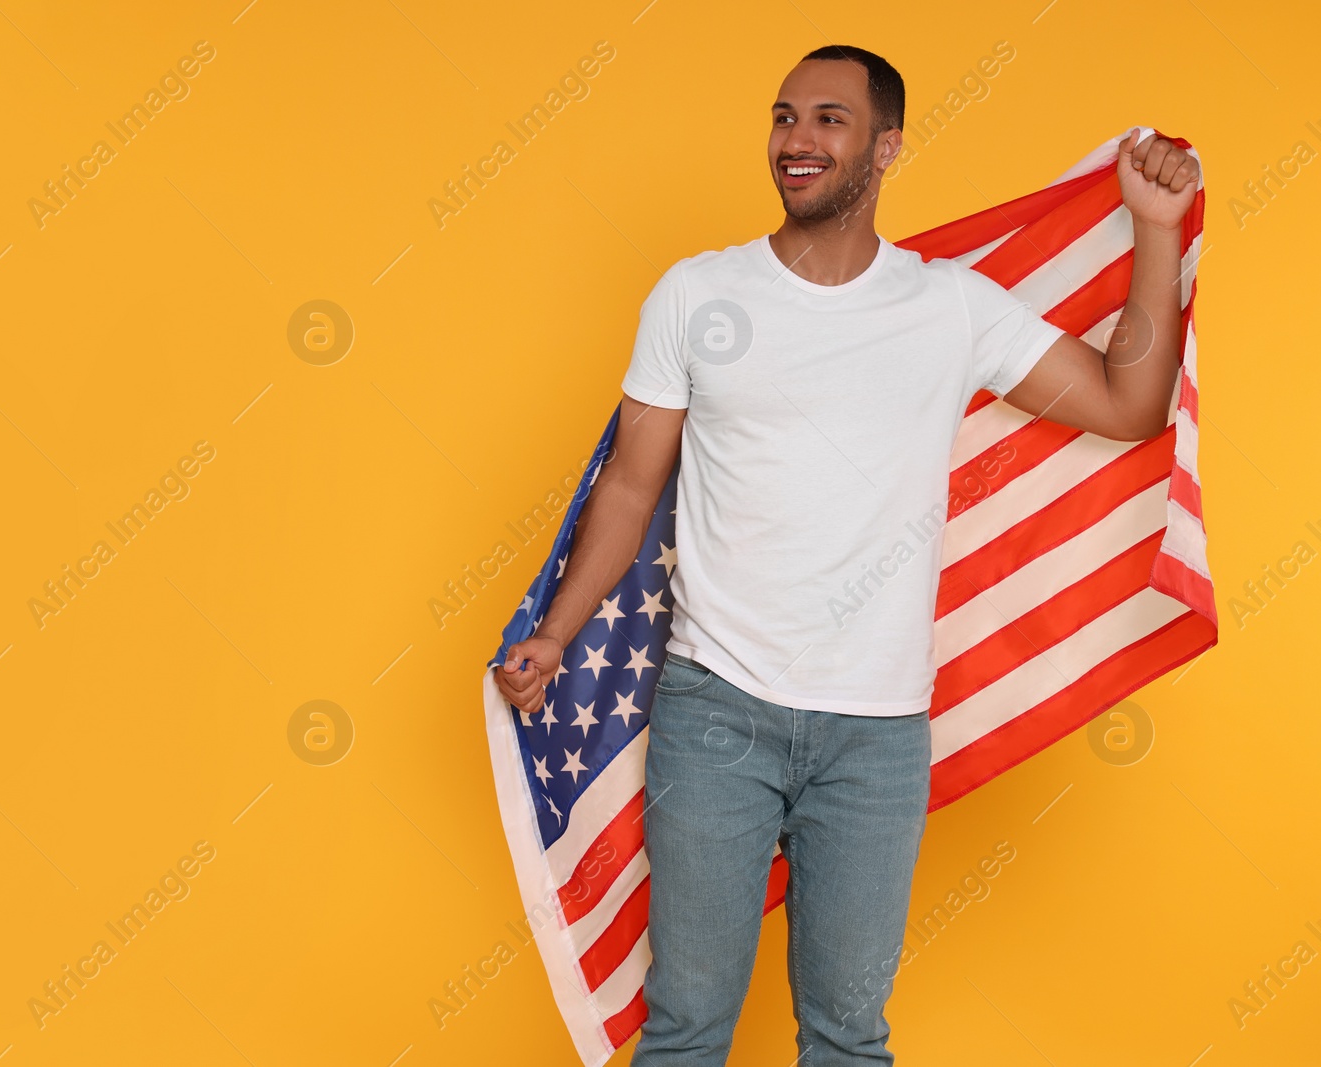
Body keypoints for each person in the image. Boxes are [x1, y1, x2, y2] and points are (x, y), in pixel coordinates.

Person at [492, 43, 1199, 1067]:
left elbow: (1127, 403)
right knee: (687, 1025)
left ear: (886, 147)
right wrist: (555, 632)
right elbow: (633, 486)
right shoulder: (695, 295)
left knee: (848, 1036)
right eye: (783, 116)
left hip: (874, 737)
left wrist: (1153, 228)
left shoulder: (947, 306)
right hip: (715, 713)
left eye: (828, 118)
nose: (797, 140)